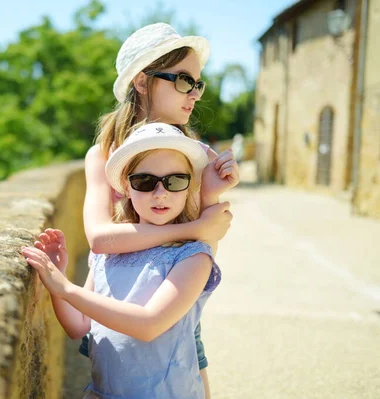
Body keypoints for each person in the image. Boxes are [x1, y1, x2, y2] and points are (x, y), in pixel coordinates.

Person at [80, 22, 239, 397]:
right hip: (116, 301)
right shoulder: (103, 154)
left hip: (175, 309)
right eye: (184, 80)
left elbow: (205, 246)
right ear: (141, 81)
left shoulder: (195, 153)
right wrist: (193, 227)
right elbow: (100, 238)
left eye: (198, 83)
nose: (195, 94)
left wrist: (210, 197)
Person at [22, 122, 233, 398]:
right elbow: (78, 325)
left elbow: (149, 324)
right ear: (126, 186)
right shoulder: (109, 253)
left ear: (189, 186)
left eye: (175, 181)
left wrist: (66, 288)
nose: (160, 193)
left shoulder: (192, 256)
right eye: (144, 182)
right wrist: (57, 280)